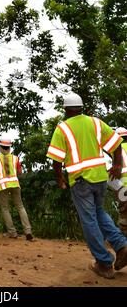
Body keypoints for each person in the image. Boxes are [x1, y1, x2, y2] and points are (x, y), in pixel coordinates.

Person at [46, 92, 127, 279]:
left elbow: (56, 159)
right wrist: (116, 165)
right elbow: (116, 144)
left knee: (89, 219)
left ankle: (104, 263)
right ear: (82, 107)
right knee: (99, 213)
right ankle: (122, 246)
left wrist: (60, 179)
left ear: (65, 109)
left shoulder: (63, 128)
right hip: (100, 177)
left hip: (81, 180)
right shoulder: (96, 122)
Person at [0, 134, 33, 240]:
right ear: (9, 148)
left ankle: (12, 233)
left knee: (5, 209)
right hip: (15, 184)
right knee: (20, 207)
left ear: (0, 147)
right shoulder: (15, 158)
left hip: (2, 185)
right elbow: (19, 172)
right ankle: (27, 230)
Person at [114, 127, 127, 236]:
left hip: (123, 187)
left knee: (124, 218)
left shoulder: (115, 152)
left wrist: (117, 190)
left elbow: (111, 176)